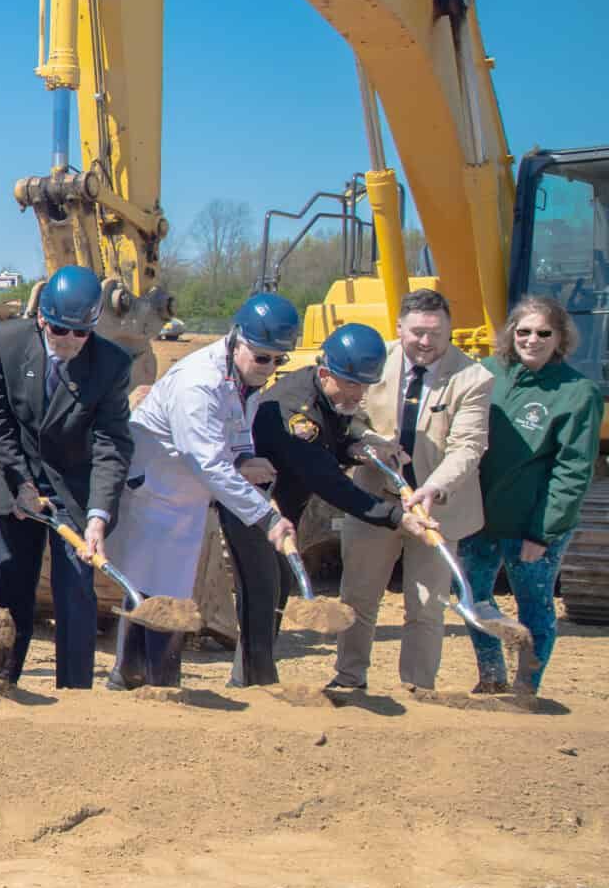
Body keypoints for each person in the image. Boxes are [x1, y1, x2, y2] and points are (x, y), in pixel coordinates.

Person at [104, 293, 303, 688]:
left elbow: (235, 427)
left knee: (172, 590)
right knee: (150, 587)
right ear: (237, 339)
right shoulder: (199, 383)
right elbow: (207, 461)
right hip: (154, 491)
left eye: (280, 360)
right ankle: (137, 677)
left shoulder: (244, 376)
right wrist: (267, 518)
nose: (269, 367)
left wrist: (245, 459)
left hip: (186, 496)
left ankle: (149, 676)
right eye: (263, 357)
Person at [227, 323, 419, 686]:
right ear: (327, 372)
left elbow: (329, 445)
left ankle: (255, 680)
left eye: (365, 385)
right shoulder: (296, 413)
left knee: (277, 586)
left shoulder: (326, 394)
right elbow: (329, 483)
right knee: (264, 590)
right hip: (251, 507)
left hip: (283, 508)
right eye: (351, 384)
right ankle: (251, 685)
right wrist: (394, 517)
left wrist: (353, 450)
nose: (359, 394)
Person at [0, 266, 134, 689]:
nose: (69, 341)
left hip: (75, 487)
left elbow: (112, 445)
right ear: (42, 319)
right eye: (61, 330)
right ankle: (4, 681)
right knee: (12, 588)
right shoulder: (8, 343)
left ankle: (75, 692)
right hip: (18, 479)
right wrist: (21, 483)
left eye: (81, 333)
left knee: (76, 593)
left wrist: (98, 516)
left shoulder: (112, 365)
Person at [331, 288, 493, 694]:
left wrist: (434, 487)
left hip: (438, 507)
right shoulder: (373, 361)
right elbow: (349, 417)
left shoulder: (473, 378)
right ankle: (350, 679)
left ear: (450, 330)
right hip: (374, 500)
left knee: (425, 606)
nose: (426, 342)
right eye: (417, 332)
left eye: (436, 333)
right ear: (400, 327)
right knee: (358, 598)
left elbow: (468, 445)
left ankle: (419, 688)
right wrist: (370, 443)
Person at [461, 294, 604, 693]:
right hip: (478, 520)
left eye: (544, 332)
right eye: (523, 331)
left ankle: (526, 688)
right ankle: (490, 679)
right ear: (510, 334)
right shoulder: (484, 375)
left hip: (532, 527)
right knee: (473, 599)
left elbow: (573, 470)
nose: (532, 340)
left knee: (534, 608)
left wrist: (543, 532)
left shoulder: (578, 393)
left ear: (560, 338)